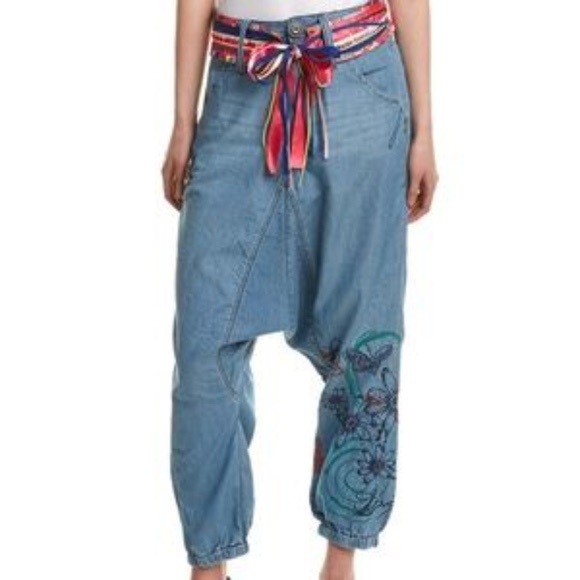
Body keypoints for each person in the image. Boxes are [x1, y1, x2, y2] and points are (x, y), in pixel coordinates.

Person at [161, 0, 438, 578]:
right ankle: (209, 564)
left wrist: (425, 131)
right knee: (203, 343)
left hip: (358, 84)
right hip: (238, 86)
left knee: (364, 335)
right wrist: (184, 120)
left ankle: (342, 556)